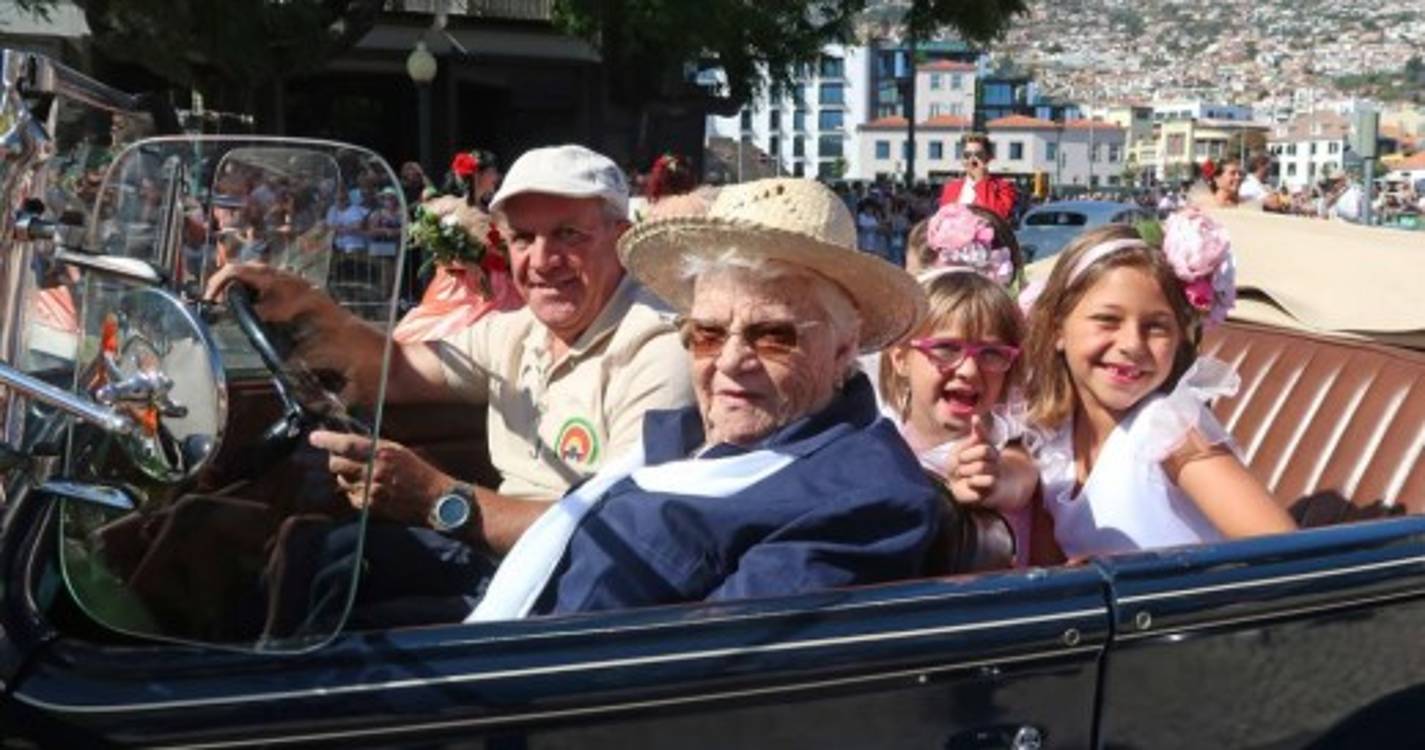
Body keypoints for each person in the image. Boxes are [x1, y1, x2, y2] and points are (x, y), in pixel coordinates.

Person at [467, 177, 940, 619]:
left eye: (772, 335)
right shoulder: (683, 435)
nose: (730, 361)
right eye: (708, 333)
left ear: (844, 348)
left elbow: (691, 666)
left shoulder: (863, 499)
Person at [207, 144, 695, 560]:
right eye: (523, 238)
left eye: (569, 235)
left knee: (321, 568)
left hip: (569, 592)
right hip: (512, 558)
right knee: (304, 548)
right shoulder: (518, 332)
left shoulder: (658, 347)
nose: (542, 261)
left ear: (622, 238)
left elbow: (621, 536)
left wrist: (435, 496)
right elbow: (395, 369)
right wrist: (303, 303)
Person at [1019, 214, 1296, 559]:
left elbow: (1286, 553)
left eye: (1156, 327)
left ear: (1180, 337)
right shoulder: (1052, 439)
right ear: (1058, 329)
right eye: (1107, 320)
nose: (1132, 344)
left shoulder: (1168, 430)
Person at [938, 134, 1018, 221]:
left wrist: (981, 181)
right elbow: (942, 219)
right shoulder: (951, 188)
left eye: (978, 155)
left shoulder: (1004, 187)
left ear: (988, 158)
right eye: (967, 155)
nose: (972, 160)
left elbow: (998, 217)